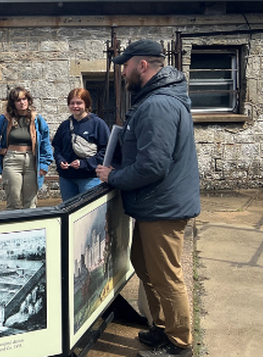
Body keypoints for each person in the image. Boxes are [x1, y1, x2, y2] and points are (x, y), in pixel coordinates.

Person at [96, 39, 200, 357]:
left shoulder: (157, 105)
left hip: (163, 206)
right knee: (145, 267)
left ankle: (180, 344)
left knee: (167, 276)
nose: (123, 71)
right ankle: (163, 328)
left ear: (142, 66)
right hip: (155, 203)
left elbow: (152, 165)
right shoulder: (155, 100)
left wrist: (112, 176)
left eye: (126, 65)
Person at [0, 87, 52, 210]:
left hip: (32, 160)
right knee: (13, 200)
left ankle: (31, 228)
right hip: (12, 159)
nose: (22, 102)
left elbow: (45, 142)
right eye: (18, 100)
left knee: (30, 203)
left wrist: (44, 164)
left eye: (24, 99)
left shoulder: (37, 119)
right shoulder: (6, 118)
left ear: (28, 100)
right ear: (13, 103)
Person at [52, 88, 110, 201]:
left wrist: (83, 164)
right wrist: (60, 161)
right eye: (72, 103)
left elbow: (106, 151)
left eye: (79, 103)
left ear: (86, 103)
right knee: (69, 214)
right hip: (67, 178)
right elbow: (57, 147)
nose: (75, 106)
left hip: (89, 177)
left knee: (89, 214)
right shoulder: (64, 126)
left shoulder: (98, 124)